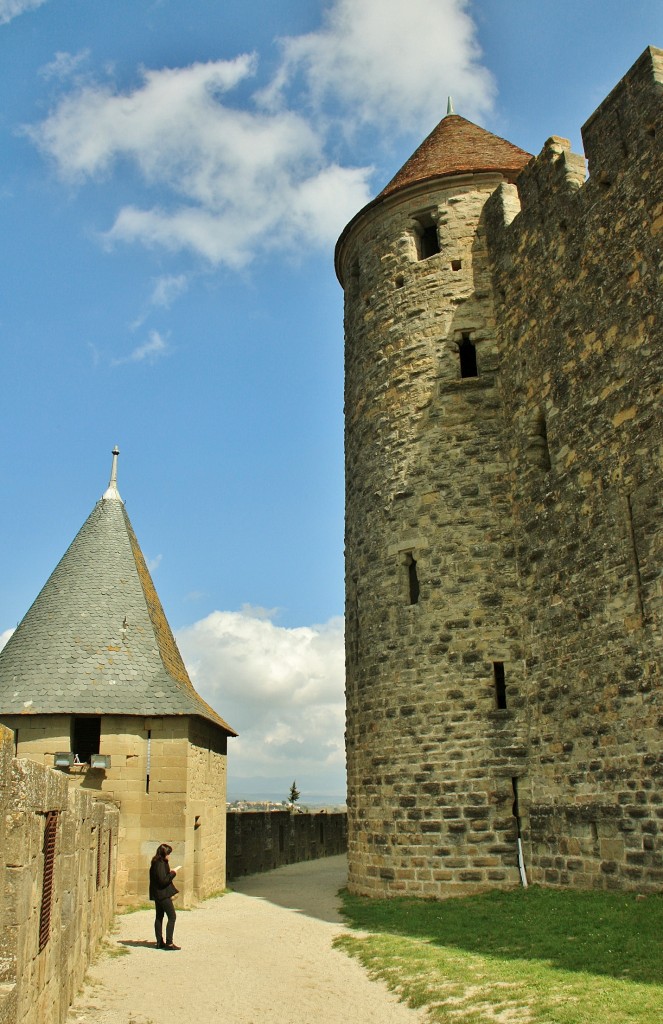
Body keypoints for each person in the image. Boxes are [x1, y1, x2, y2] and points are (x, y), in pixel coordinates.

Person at [149, 843, 180, 950]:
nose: (169, 856)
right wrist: (173, 873)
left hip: (157, 894)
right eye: (168, 854)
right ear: (163, 854)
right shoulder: (160, 864)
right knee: (172, 917)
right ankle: (169, 943)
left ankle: (159, 942)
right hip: (162, 894)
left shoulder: (156, 862)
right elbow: (163, 881)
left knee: (159, 916)